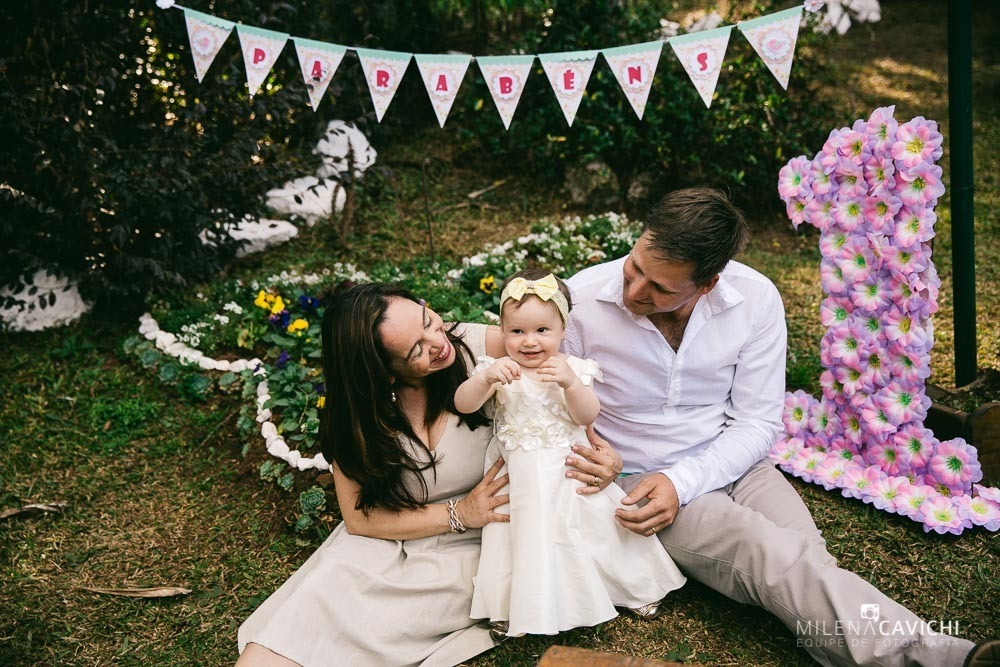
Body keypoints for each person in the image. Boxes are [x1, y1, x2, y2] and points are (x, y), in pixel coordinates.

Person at [562, 187, 977, 667]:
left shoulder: (755, 298)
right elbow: (547, 407)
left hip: (739, 464)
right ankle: (943, 658)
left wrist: (686, 479)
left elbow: (757, 421)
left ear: (708, 283)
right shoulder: (581, 302)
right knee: (769, 552)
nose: (635, 292)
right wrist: (627, 471)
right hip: (643, 479)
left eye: (661, 289)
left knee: (808, 559)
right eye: (635, 268)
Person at [235, 283, 623, 667]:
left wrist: (608, 458)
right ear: (384, 373)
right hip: (388, 534)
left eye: (427, 320)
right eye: (416, 350)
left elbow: (562, 378)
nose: (438, 342)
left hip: (480, 542)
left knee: (385, 624)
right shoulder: (356, 413)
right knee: (303, 622)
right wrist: (459, 513)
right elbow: (360, 519)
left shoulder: (483, 346)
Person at [454, 269, 685, 638]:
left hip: (568, 469)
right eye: (517, 331)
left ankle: (629, 588)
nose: (530, 341)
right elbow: (464, 404)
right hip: (518, 477)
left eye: (542, 330)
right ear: (502, 330)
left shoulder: (572, 369)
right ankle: (509, 604)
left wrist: (571, 384)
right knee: (514, 539)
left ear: (563, 329)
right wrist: (485, 378)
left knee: (595, 530)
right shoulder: (497, 371)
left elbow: (586, 415)